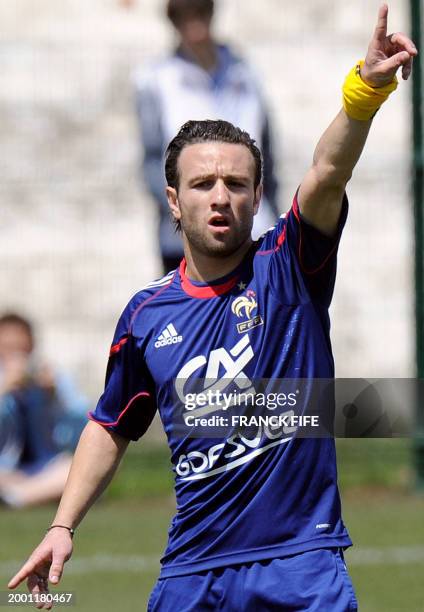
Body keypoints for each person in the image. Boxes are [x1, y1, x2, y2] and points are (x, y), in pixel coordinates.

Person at [8, 5, 416, 609]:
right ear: (173, 201)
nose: (220, 198)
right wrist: (62, 525)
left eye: (236, 184)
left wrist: (366, 89)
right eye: (202, 185)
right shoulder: (147, 314)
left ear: (257, 197)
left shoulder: (290, 267)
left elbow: (328, 172)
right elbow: (110, 423)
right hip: (192, 575)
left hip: (301, 567)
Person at [135, 0, 279, 273]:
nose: (193, 22)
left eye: (200, 10)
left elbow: (267, 154)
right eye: (182, 15)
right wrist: (186, 217)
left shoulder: (244, 71)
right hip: (185, 237)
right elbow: (153, 159)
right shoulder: (155, 78)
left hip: (252, 229)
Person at [0, 313, 87, 508]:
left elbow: (85, 428)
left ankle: (13, 498)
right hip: (3, 470)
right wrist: (4, 390)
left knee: (78, 468)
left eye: (20, 348)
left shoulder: (51, 377)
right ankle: (24, 495)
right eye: (7, 348)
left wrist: (55, 397)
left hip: (41, 469)